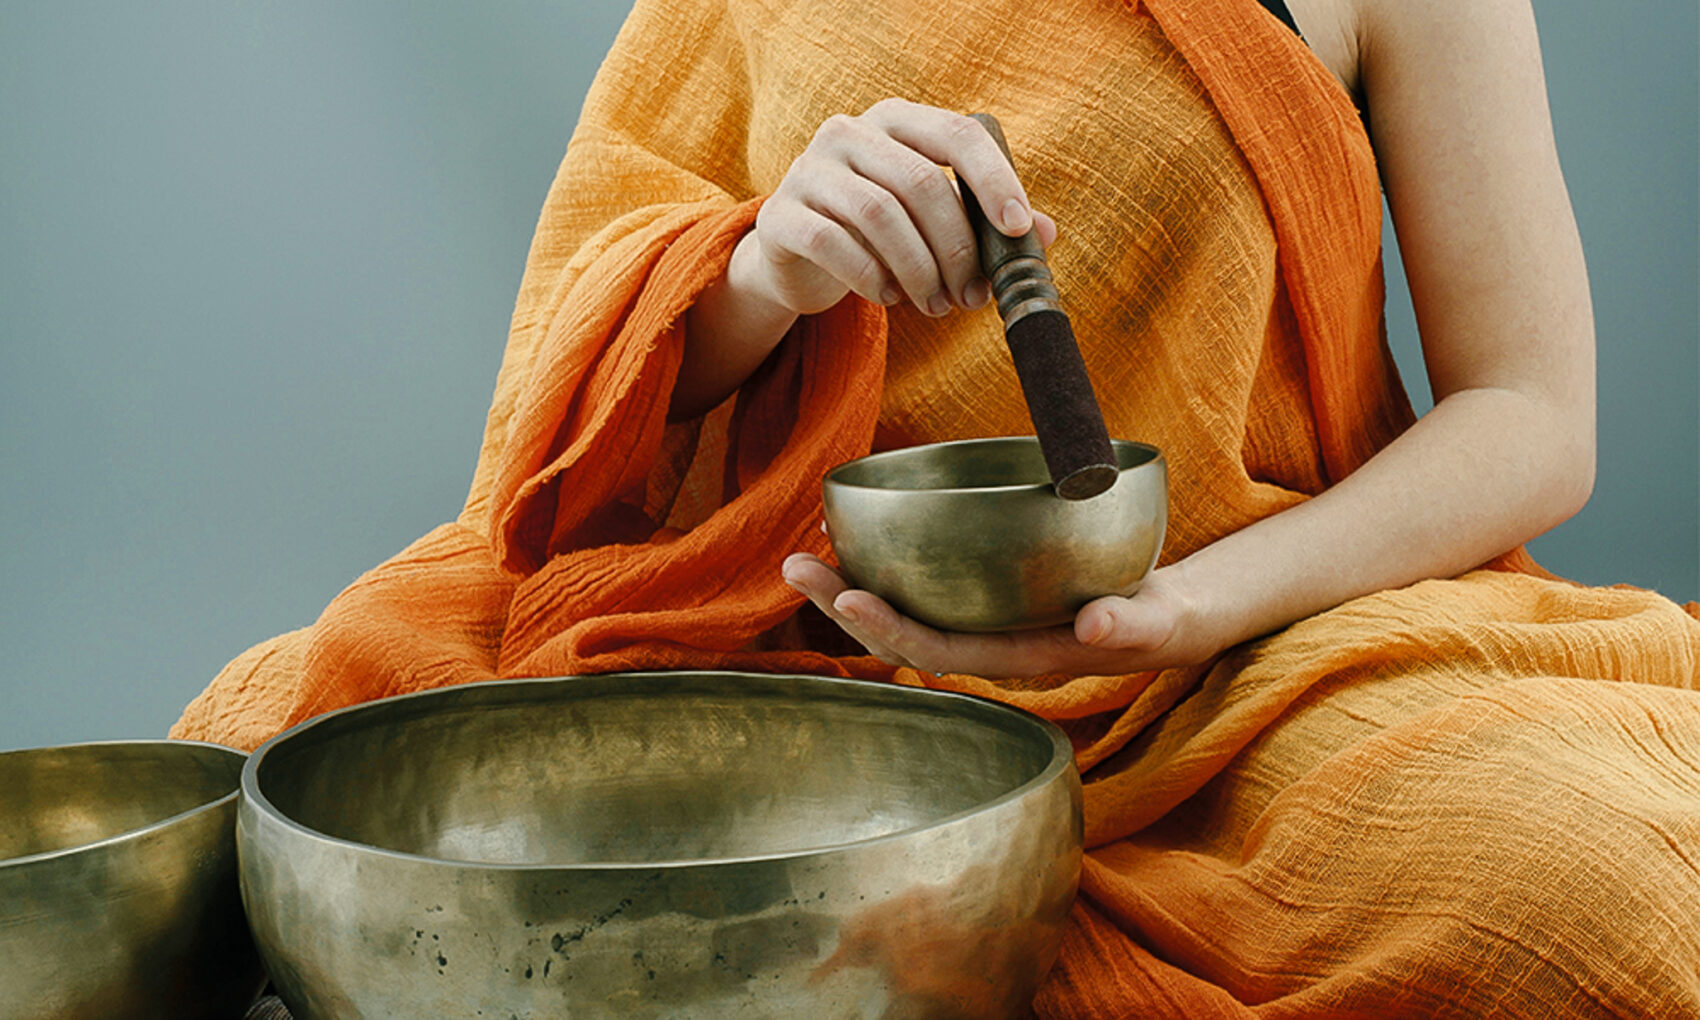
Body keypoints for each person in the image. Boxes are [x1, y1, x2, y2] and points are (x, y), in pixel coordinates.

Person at [179, 0, 1700, 1015]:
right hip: (774, 647)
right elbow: (565, 412)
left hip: (1249, 665)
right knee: (243, 762)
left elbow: (1533, 417)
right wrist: (769, 266)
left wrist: (1184, 610)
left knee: (1591, 889)